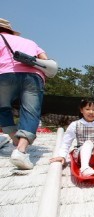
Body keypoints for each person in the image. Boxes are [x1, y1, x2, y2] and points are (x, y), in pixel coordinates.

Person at [0, 18, 50, 169]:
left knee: (2, 108)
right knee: (31, 112)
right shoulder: (30, 42)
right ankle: (21, 150)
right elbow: (45, 60)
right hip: (33, 76)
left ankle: (15, 141)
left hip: (3, 75)